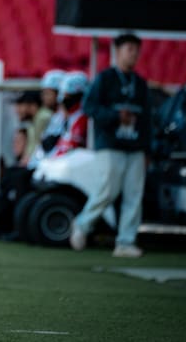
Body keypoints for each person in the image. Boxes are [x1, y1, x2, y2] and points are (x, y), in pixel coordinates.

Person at [70, 33, 150, 258]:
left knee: (134, 194)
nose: (133, 54)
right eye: (129, 49)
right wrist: (115, 115)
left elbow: (146, 120)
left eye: (136, 50)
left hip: (135, 146)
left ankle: (125, 242)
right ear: (117, 51)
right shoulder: (105, 79)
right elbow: (89, 107)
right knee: (107, 191)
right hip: (110, 144)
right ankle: (83, 225)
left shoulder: (140, 83)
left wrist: (147, 149)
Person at [14, 90, 42, 165]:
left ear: (33, 105)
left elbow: (39, 147)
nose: (17, 110)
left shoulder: (42, 117)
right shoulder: (34, 121)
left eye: (20, 105)